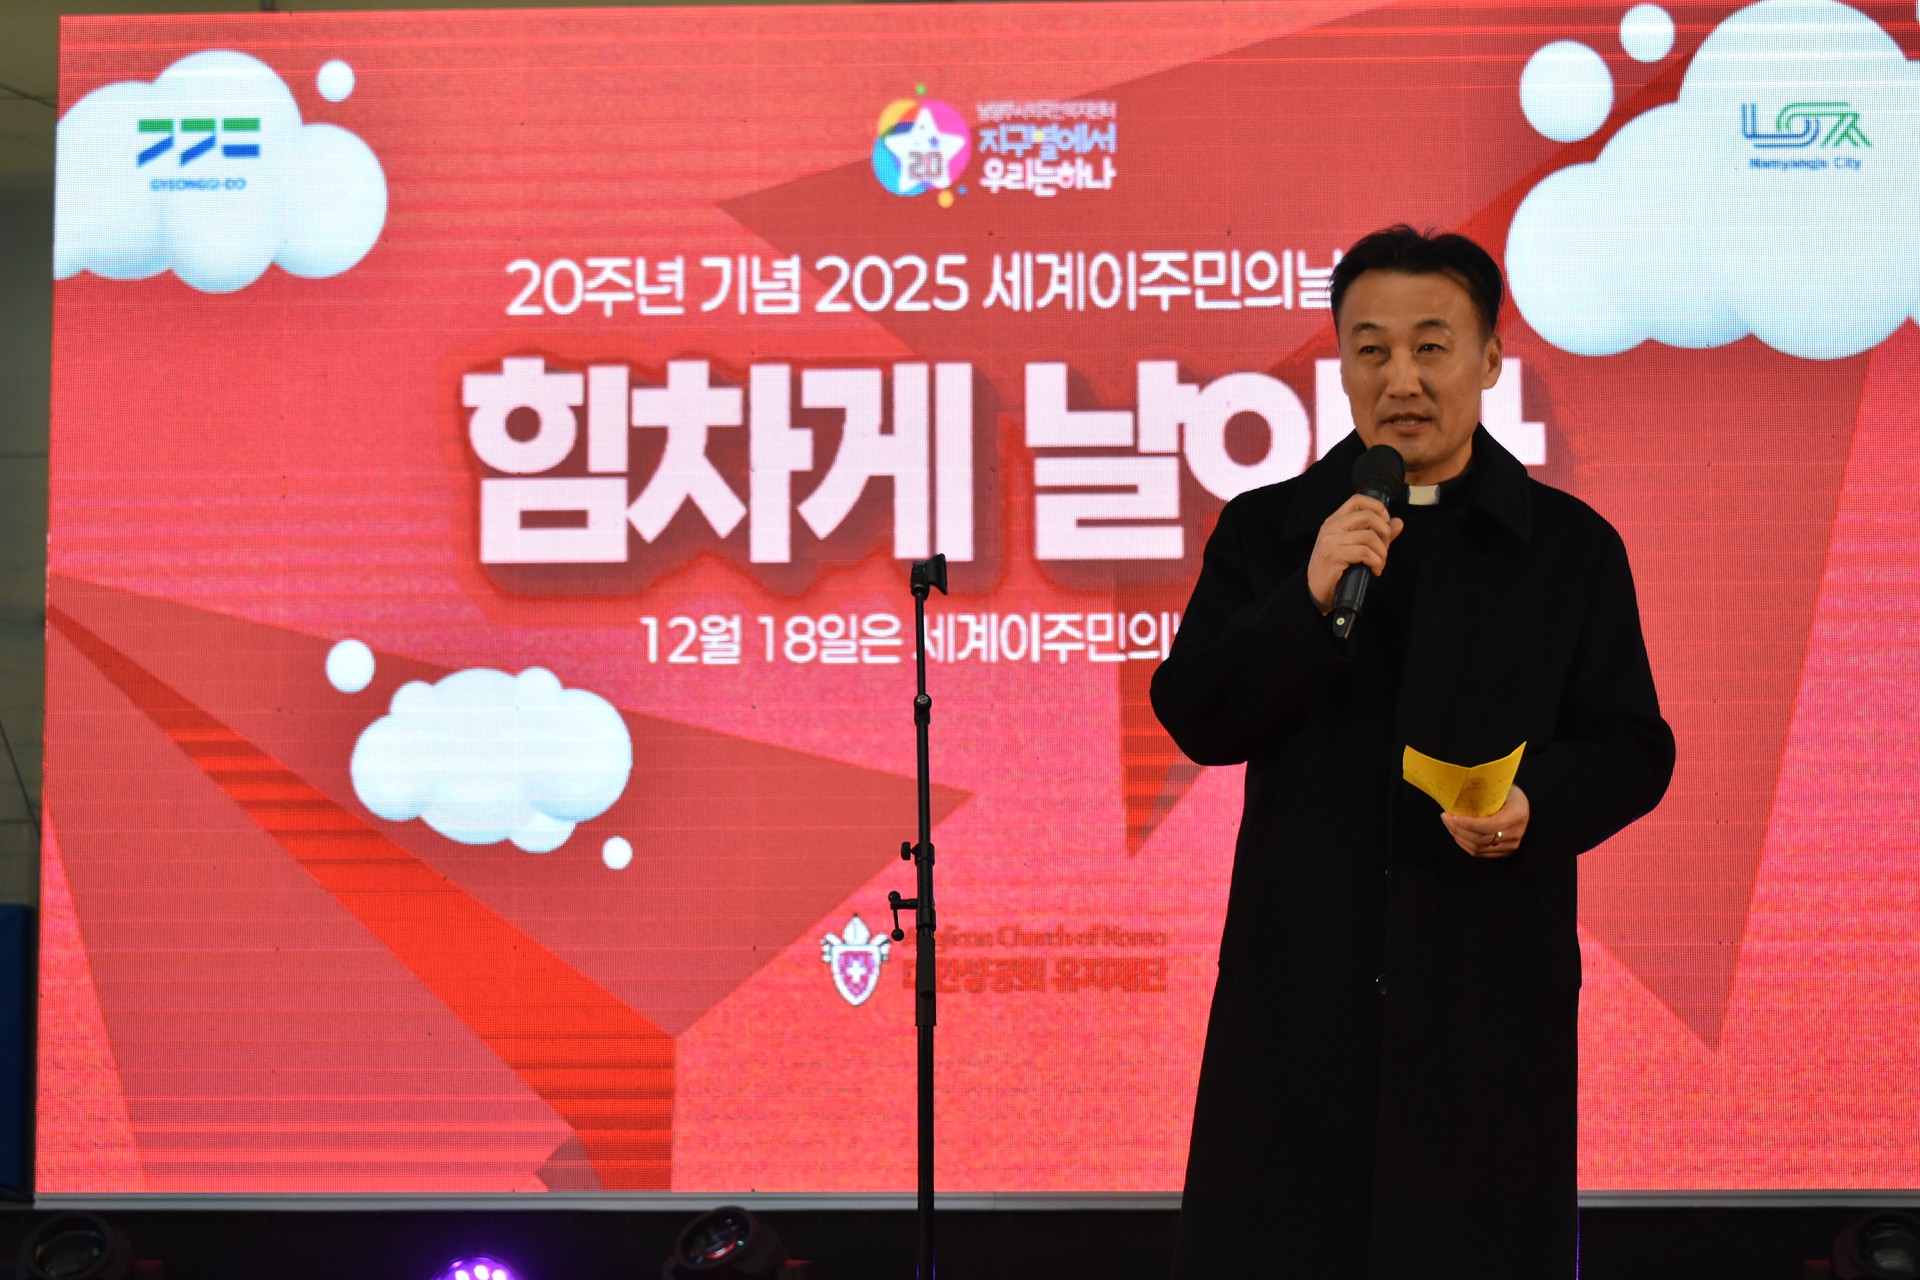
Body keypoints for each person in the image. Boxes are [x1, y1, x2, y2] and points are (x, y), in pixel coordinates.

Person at [1151, 225, 1675, 1278]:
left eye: (1432, 346)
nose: (1402, 379)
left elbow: (1632, 744)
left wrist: (1536, 805)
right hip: (1300, 987)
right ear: (1342, 365)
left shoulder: (1568, 548)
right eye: (1371, 349)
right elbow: (1198, 714)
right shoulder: (1269, 532)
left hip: (1486, 986)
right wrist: (1304, 600)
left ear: (1489, 359)